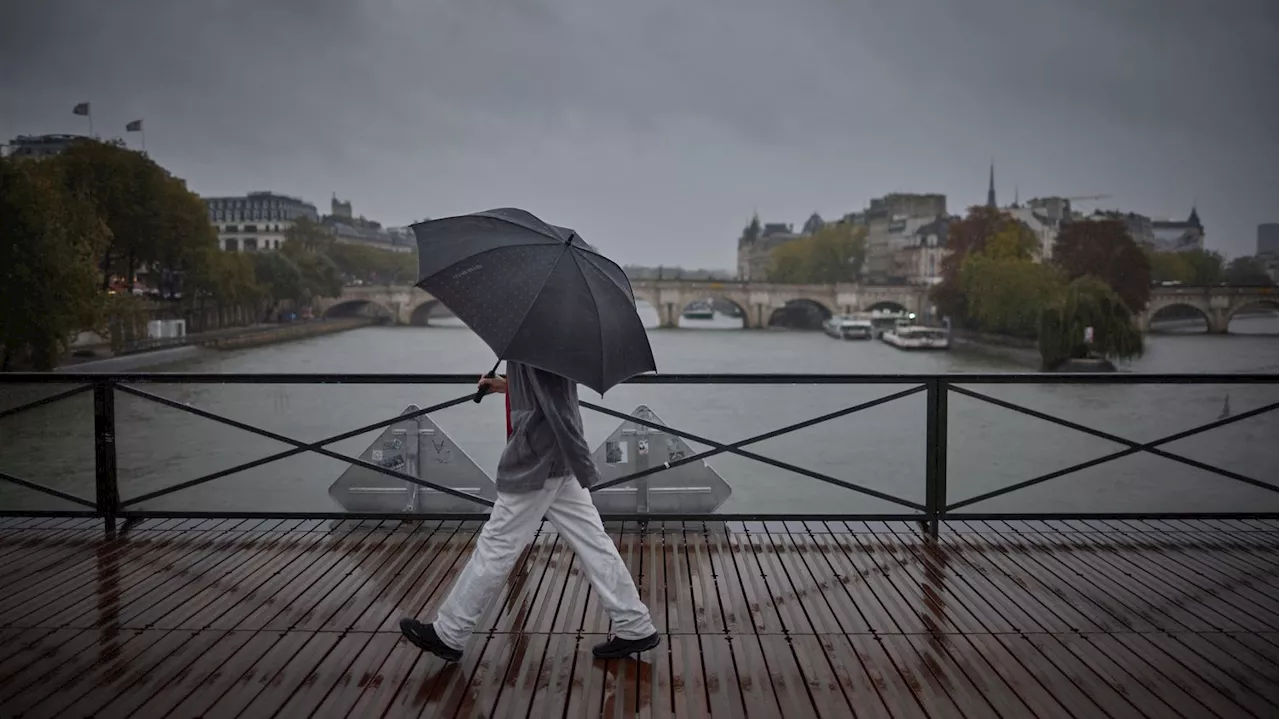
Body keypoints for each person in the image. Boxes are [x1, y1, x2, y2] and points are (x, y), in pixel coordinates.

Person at [399, 362, 660, 662]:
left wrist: (577, 457)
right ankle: (635, 625)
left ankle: (450, 633)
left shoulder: (536, 338)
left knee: (496, 547)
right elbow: (547, 387)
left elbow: (554, 401)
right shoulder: (554, 339)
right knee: (594, 543)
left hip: (538, 461)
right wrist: (507, 385)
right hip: (559, 461)